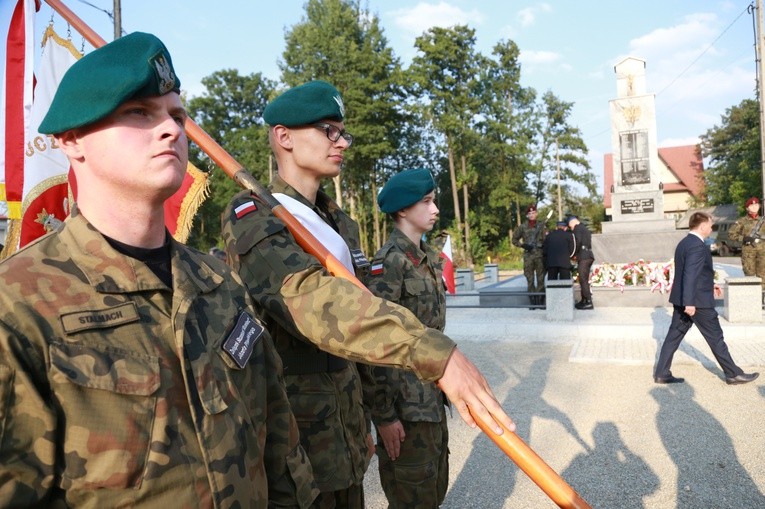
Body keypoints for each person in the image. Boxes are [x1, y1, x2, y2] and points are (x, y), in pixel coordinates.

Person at [0, 33, 318, 508]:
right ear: (71, 140)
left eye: (176, 115)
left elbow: (277, 443)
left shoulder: (219, 285)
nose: (171, 129)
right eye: (138, 113)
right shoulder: (19, 304)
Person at [220, 80, 514, 508]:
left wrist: (370, 419)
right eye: (328, 130)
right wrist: (431, 352)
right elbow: (315, 302)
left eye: (343, 132)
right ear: (283, 136)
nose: (341, 142)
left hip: (346, 433)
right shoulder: (253, 216)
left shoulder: (341, 224)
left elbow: (363, 325)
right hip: (295, 441)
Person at [362, 168, 450, 508]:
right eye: (426, 202)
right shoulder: (390, 263)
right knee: (410, 498)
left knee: (433, 489)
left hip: (431, 401)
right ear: (402, 210)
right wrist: (384, 416)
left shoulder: (427, 258)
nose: (435, 209)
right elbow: (373, 345)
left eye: (433, 200)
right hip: (405, 411)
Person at [654, 211, 759, 385]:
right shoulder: (697, 245)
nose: (711, 228)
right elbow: (690, 274)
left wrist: (709, 285)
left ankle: (662, 373)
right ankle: (733, 374)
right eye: (710, 225)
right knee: (716, 337)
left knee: (673, 336)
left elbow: (695, 273)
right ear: (702, 226)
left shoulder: (684, 243)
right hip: (696, 302)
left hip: (684, 298)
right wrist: (690, 302)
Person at [728, 196, 765, 301]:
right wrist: (743, 238)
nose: (754, 207)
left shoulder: (763, 220)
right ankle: (752, 299)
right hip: (748, 253)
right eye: (751, 205)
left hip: (763, 251)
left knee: (763, 275)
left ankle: (762, 298)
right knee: (750, 275)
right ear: (747, 208)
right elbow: (731, 234)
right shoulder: (742, 221)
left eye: (756, 205)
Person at [512, 204, 546, 308]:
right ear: (527, 215)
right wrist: (523, 245)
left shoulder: (542, 225)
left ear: (536, 213)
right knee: (530, 280)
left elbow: (547, 240)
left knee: (541, 280)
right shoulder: (522, 227)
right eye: (529, 213)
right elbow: (514, 240)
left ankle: (540, 301)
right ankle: (533, 302)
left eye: (533, 213)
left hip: (540, 256)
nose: (531, 215)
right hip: (528, 256)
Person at [567, 214, 595, 310]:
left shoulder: (577, 228)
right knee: (584, 279)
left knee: (583, 280)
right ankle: (583, 301)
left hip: (584, 257)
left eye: (570, 226)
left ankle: (588, 302)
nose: (571, 228)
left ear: (572, 222)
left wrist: (571, 254)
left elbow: (577, 242)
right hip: (588, 255)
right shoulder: (584, 228)